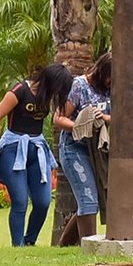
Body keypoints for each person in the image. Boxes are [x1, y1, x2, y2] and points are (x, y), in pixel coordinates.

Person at [0, 64, 70, 247]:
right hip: (14, 149)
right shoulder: (20, 90)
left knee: (43, 202)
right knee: (20, 201)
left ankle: (29, 241)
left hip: (36, 148)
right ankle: (18, 246)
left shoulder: (49, 98)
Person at [53, 57, 112, 248]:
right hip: (75, 148)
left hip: (97, 151)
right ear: (102, 72)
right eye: (110, 77)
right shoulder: (78, 86)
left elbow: (118, 115)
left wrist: (104, 118)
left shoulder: (112, 88)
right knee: (88, 199)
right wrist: (80, 126)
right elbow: (59, 118)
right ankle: (91, 248)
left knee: (91, 201)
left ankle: (64, 246)